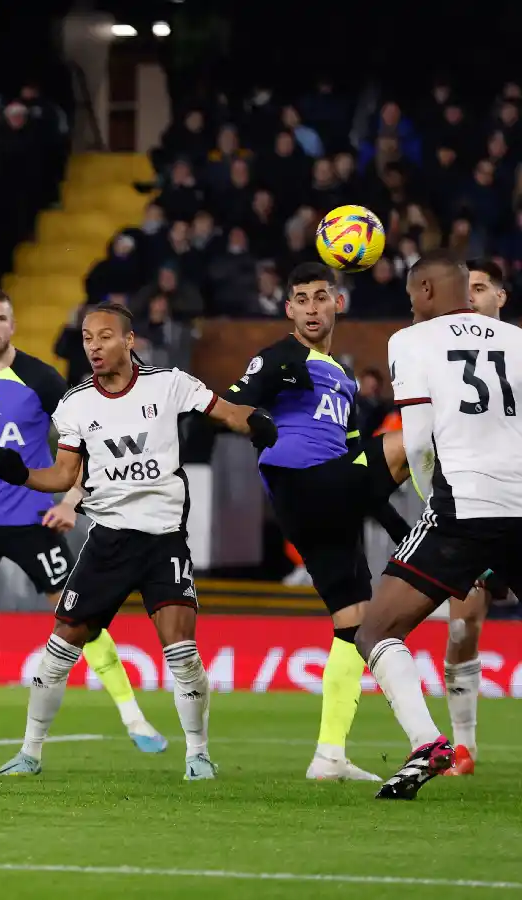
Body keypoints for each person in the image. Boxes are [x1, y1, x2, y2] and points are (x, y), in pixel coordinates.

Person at [0, 302, 277, 778]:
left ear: (129, 340)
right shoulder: (76, 404)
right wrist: (22, 475)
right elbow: (63, 475)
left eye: (103, 337)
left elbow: (226, 412)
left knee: (182, 651)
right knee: (60, 647)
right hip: (109, 541)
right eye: (86, 339)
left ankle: (198, 754)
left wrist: (258, 421)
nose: (94, 347)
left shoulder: (169, 383)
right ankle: (29, 753)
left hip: (164, 540)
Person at [0, 289, 166, 753]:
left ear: (12, 324)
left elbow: (89, 441)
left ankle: (136, 720)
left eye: (1, 317)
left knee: (81, 618)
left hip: (31, 519)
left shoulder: (41, 379)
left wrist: (71, 500)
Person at [225, 262, 412, 782]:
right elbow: (228, 405)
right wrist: (259, 424)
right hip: (304, 485)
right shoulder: (279, 357)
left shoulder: (346, 378)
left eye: (319, 298)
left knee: (355, 624)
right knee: (415, 436)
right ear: (288, 309)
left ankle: (329, 756)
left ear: (337, 303)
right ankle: (457, 523)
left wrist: (401, 532)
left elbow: (360, 465)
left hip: (335, 494)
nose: (311, 308)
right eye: (301, 299)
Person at [356, 251, 522, 799]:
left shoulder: (412, 341)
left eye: (410, 297)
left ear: (425, 289)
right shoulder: (517, 339)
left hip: (462, 508)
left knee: (376, 631)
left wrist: (433, 504)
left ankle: (429, 742)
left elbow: (420, 440)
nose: (410, 307)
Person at [440, 258, 511, 777]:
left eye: (481, 288)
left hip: (519, 503)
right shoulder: (445, 358)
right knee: (463, 628)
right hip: (471, 508)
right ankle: (463, 747)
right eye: (465, 289)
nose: (472, 296)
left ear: (501, 298)